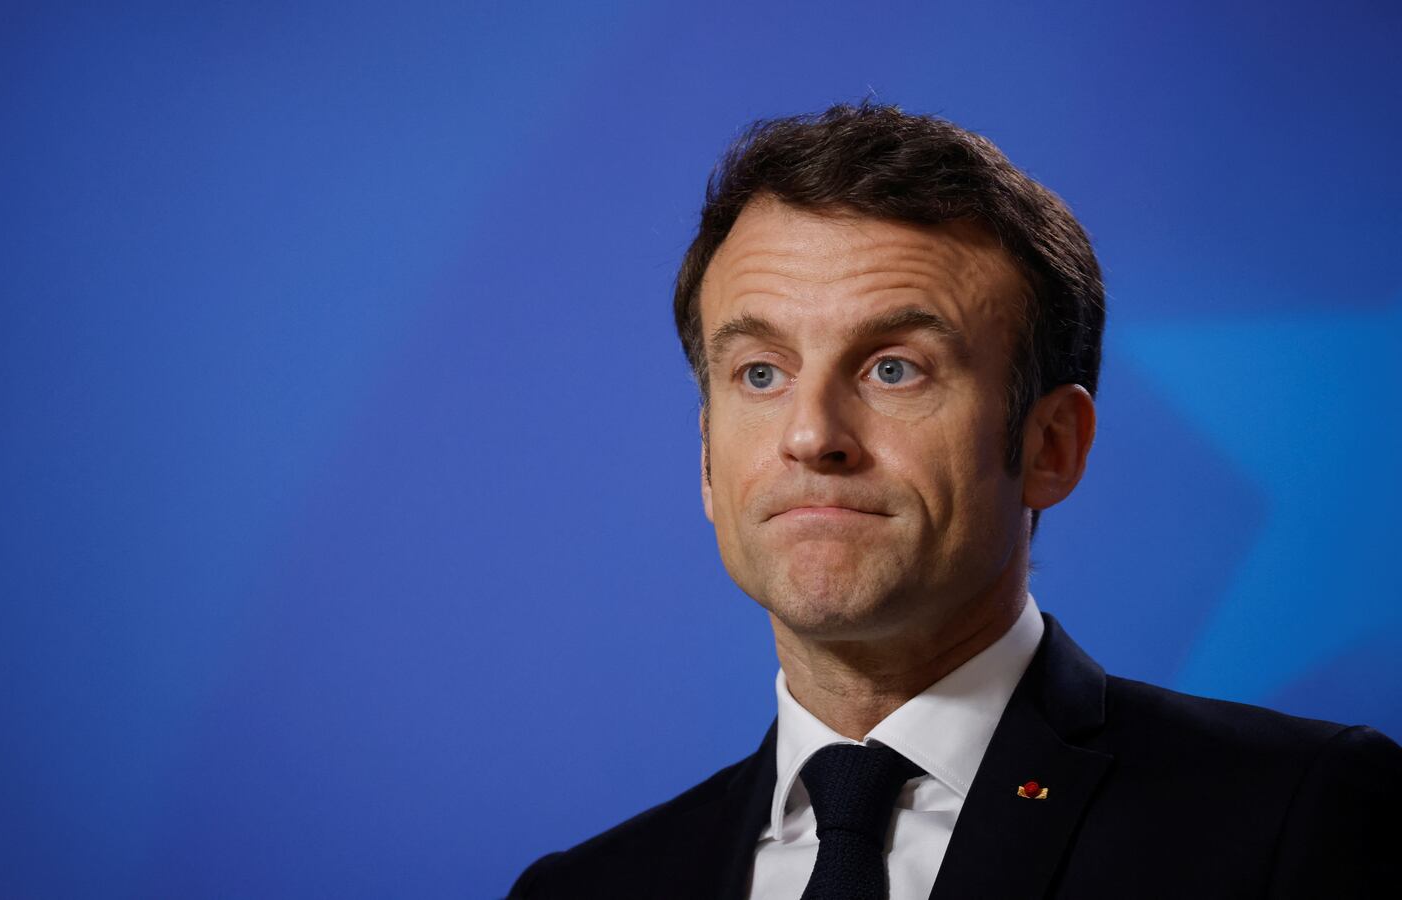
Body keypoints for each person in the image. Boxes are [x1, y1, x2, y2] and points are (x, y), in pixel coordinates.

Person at [507, 102, 1401, 900]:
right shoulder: (583, 889)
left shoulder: (1298, 818)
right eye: (762, 372)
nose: (812, 434)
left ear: (1050, 447)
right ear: (708, 457)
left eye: (894, 368)